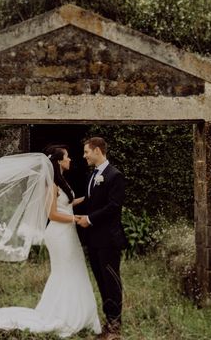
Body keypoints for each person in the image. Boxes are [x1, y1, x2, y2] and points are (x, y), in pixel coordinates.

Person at [0, 145, 102, 338]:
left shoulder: (60, 181)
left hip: (68, 233)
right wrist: (76, 219)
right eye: (67, 157)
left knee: (74, 269)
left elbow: (66, 204)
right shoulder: (52, 185)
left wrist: (88, 198)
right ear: (58, 161)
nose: (71, 159)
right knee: (65, 270)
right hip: (58, 234)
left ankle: (75, 312)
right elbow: (53, 213)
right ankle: (65, 314)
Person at [77, 137, 126, 340]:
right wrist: (66, 204)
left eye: (87, 151)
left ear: (97, 150)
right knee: (101, 281)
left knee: (111, 282)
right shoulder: (92, 175)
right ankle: (108, 320)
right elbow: (90, 200)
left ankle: (115, 326)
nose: (84, 155)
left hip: (108, 240)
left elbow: (114, 206)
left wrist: (89, 219)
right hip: (94, 240)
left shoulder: (115, 175)